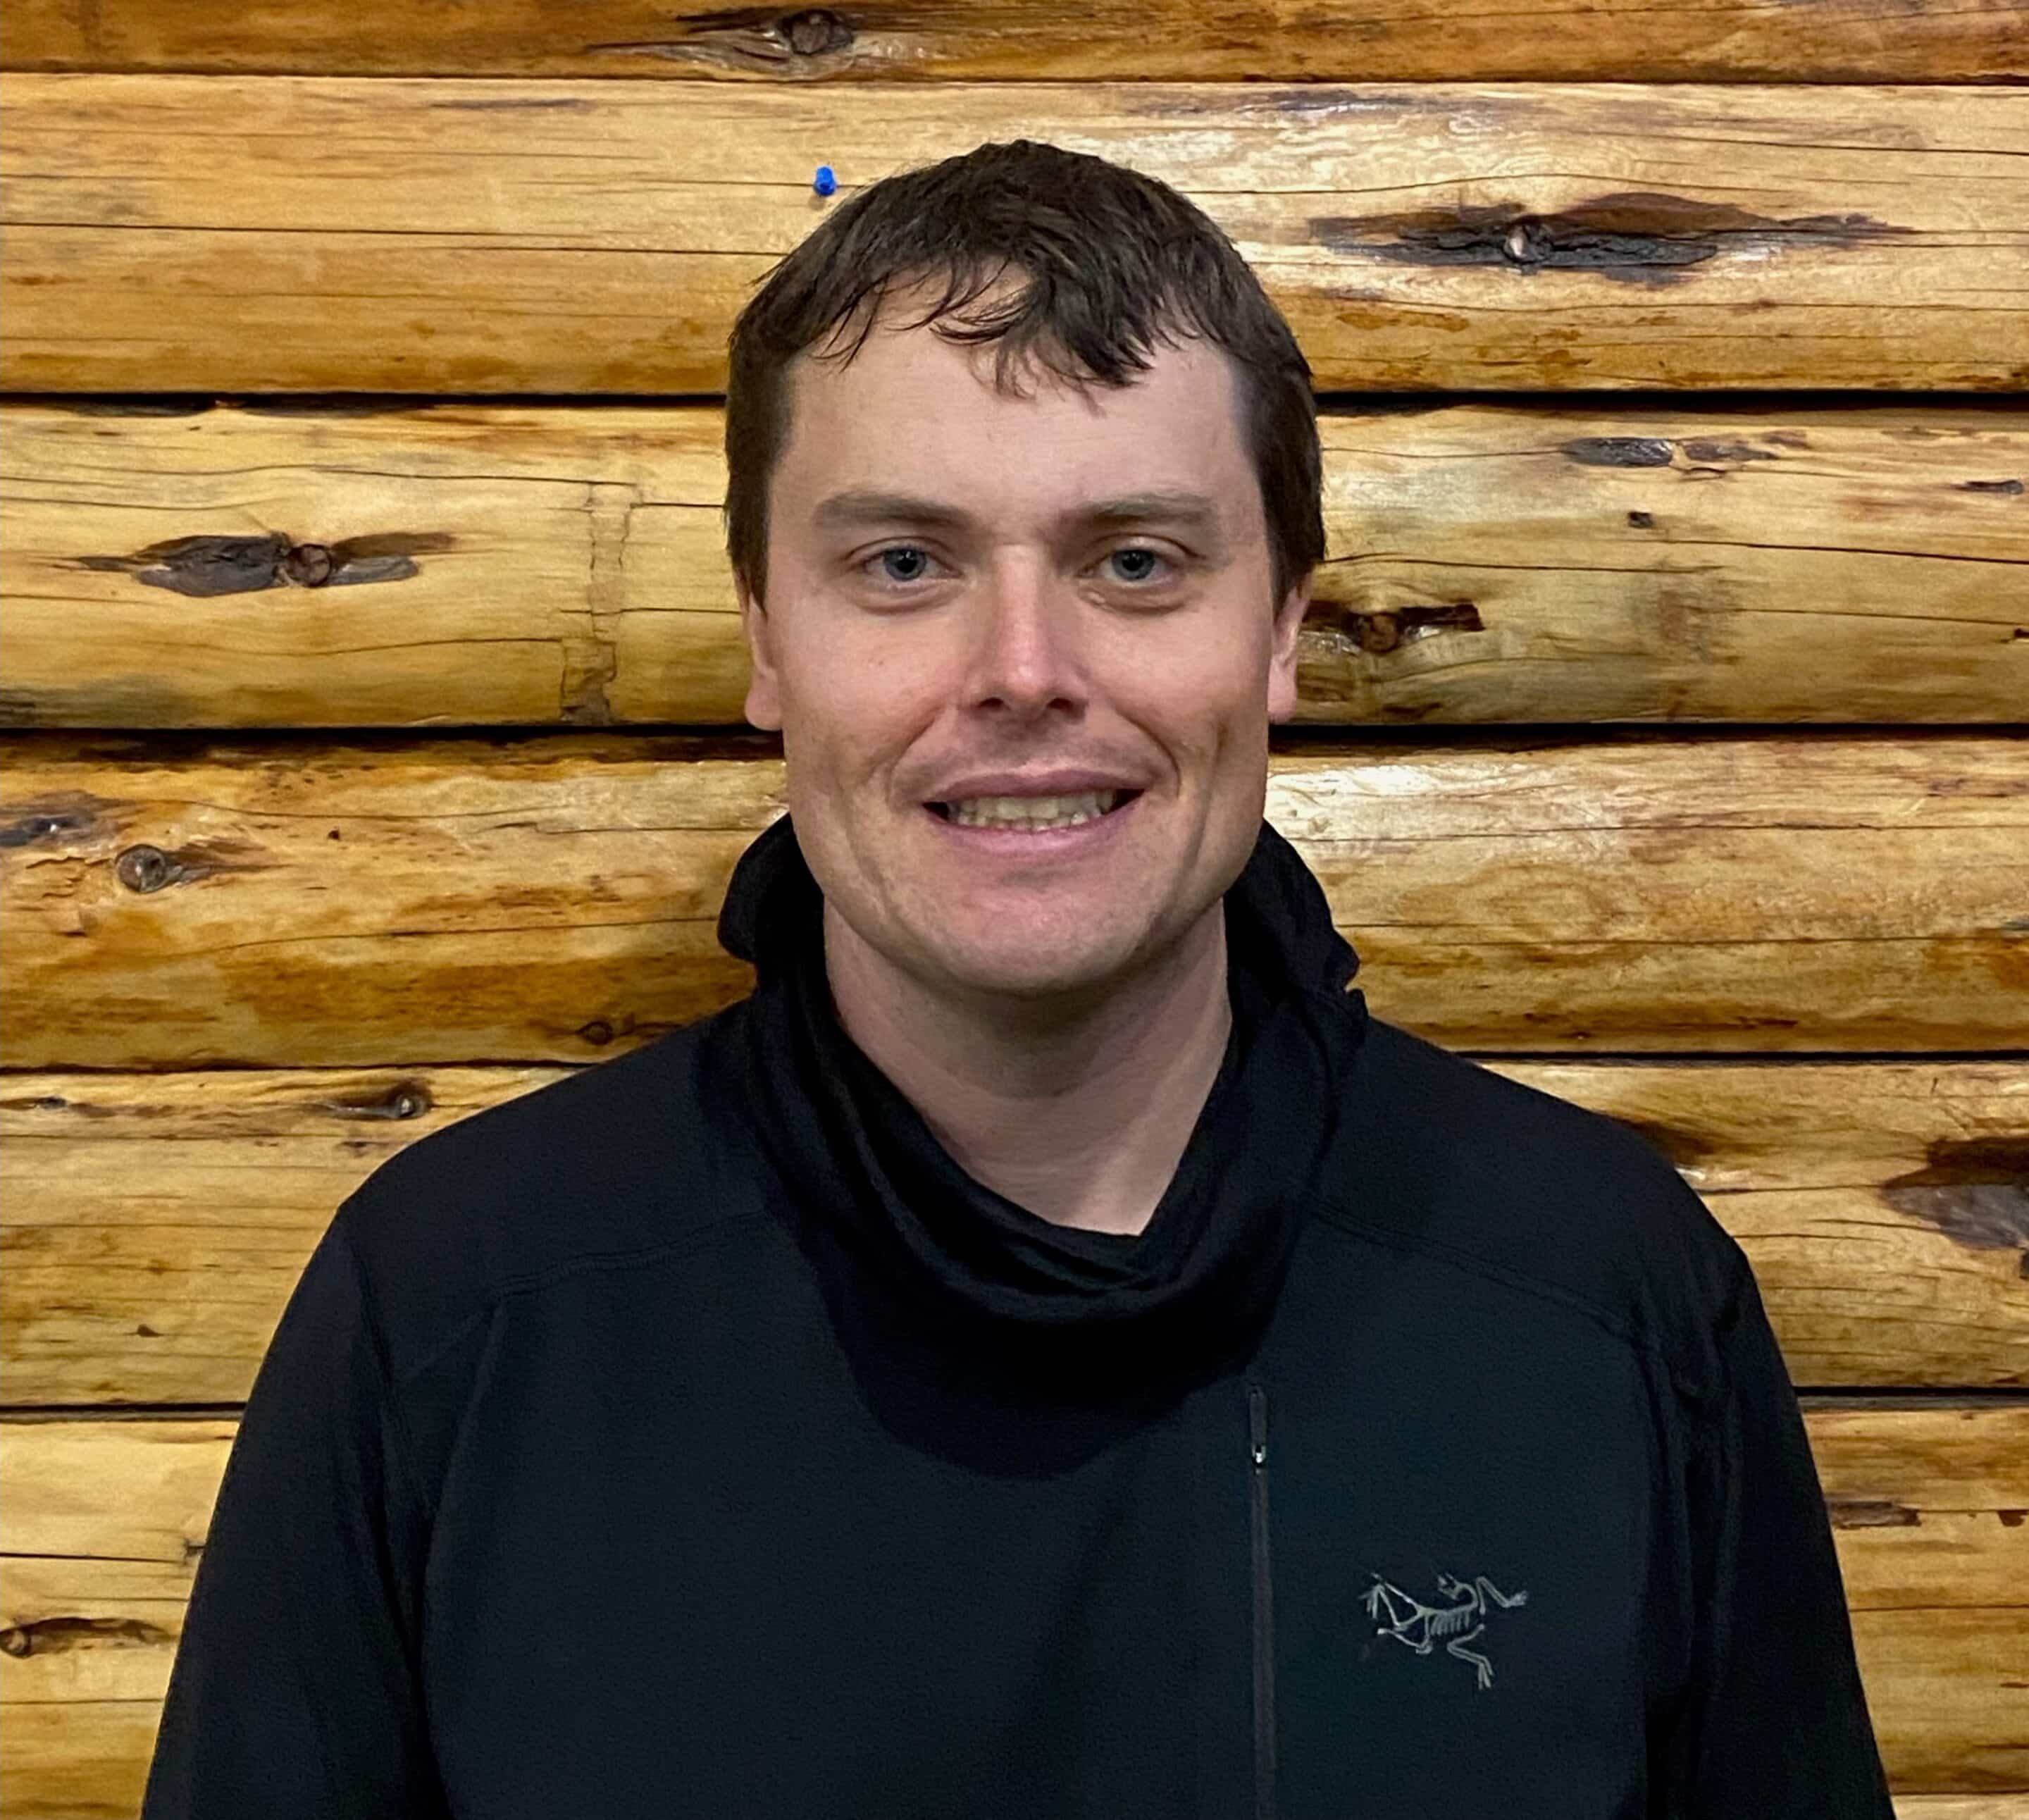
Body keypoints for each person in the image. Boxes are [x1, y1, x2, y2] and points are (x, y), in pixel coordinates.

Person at [140, 140, 1894, 1818]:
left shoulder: (1598, 1292)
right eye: (902, 564)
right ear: (767, 634)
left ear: (1282, 623)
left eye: (1136, 560)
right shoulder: (456, 1310)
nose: (1024, 670)